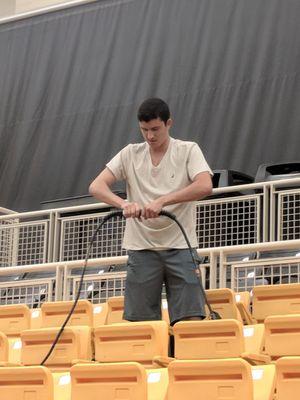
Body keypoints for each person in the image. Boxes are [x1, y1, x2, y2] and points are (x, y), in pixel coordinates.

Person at [89, 98, 213, 325]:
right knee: (141, 323)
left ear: (169, 123)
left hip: (181, 247)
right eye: (144, 130)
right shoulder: (130, 153)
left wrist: (163, 201)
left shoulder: (187, 150)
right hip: (141, 248)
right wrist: (124, 204)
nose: (150, 136)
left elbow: (205, 185)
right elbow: (96, 186)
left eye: (155, 129)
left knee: (190, 319)